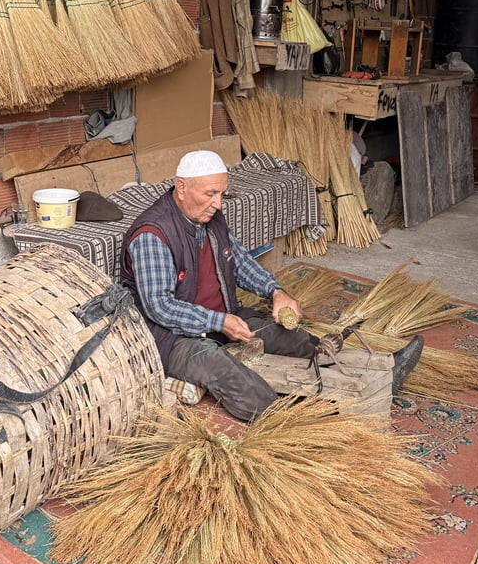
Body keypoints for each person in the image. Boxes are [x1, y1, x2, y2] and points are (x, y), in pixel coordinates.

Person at [120, 149, 422, 422]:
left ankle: (381, 371)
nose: (218, 203)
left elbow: (238, 262)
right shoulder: (154, 234)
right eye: (211, 194)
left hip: (222, 318)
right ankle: (287, 420)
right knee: (221, 368)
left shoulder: (210, 218)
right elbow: (159, 307)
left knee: (288, 336)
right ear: (181, 187)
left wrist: (275, 291)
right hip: (171, 340)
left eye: (223, 194)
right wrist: (219, 321)